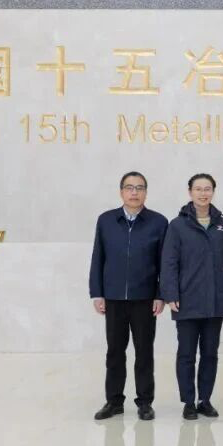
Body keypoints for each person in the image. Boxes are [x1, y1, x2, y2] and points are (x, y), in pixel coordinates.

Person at [90, 171, 167, 421]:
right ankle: (114, 402)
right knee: (115, 351)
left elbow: (164, 263)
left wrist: (160, 295)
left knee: (144, 352)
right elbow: (98, 257)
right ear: (121, 191)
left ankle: (145, 402)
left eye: (140, 188)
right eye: (129, 187)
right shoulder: (106, 220)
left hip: (145, 299)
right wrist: (97, 293)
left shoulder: (158, 222)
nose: (134, 192)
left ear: (146, 192)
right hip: (113, 298)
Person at [159, 173, 223, 421]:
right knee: (186, 354)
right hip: (187, 301)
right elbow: (169, 262)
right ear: (190, 192)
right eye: (198, 189)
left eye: (208, 189)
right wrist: (170, 293)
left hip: (215, 301)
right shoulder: (177, 225)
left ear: (213, 191)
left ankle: (205, 400)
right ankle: (188, 402)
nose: (203, 193)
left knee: (210, 353)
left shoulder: (222, 224)